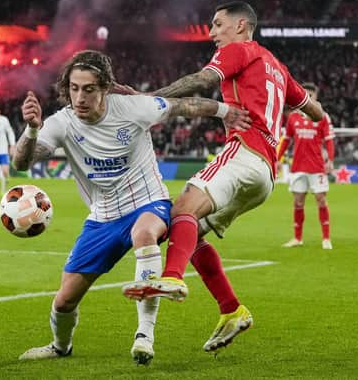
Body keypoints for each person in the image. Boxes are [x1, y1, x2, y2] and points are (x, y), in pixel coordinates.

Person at [14, 50, 251, 364]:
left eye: (88, 89)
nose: (79, 97)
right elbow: (21, 162)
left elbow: (185, 106)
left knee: (144, 233)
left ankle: (145, 335)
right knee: (64, 301)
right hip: (102, 219)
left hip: (148, 203)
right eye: (73, 89)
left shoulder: (133, 108)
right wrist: (31, 129)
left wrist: (225, 111)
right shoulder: (63, 122)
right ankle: (60, 346)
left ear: (105, 88)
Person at [121, 2, 325, 353]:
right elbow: (317, 112)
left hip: (244, 152)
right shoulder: (277, 66)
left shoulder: (238, 50)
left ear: (241, 25)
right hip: (265, 175)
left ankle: (171, 277)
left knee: (182, 208)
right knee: (190, 230)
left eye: (217, 25)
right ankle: (232, 310)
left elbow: (200, 81)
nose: (212, 33)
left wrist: (144, 101)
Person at [276, 83, 335, 249]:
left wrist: (330, 159)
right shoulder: (293, 117)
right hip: (298, 166)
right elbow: (286, 140)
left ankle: (326, 238)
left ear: (316, 97)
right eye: (306, 95)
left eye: (311, 95)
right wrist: (278, 159)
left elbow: (329, 140)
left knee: (321, 200)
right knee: (298, 202)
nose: (308, 98)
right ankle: (297, 238)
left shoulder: (322, 116)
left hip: (317, 166)